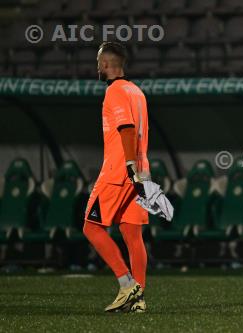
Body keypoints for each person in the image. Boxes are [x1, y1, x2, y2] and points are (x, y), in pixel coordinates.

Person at [83, 42, 150, 313]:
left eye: (99, 61)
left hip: (120, 170)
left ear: (106, 64)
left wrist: (129, 166)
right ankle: (139, 298)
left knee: (91, 227)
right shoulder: (137, 91)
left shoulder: (114, 91)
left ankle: (126, 283)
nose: (97, 66)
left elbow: (126, 128)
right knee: (131, 233)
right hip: (141, 171)